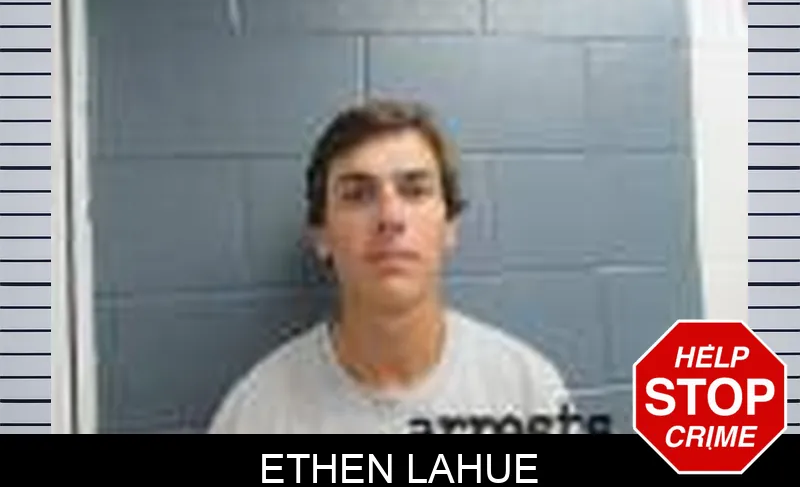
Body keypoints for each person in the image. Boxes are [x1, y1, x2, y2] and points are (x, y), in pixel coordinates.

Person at [208, 99, 578, 434]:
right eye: (358, 195)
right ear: (322, 236)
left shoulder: (529, 394)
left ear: (449, 226)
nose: (390, 217)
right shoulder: (255, 414)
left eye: (414, 191)